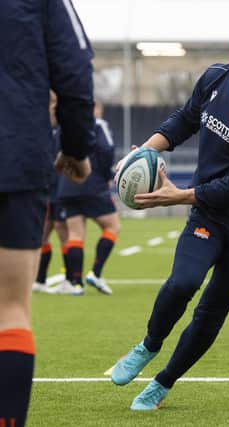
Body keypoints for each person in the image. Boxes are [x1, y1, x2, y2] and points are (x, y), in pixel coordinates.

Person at [109, 14, 229, 411]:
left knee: (212, 309)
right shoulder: (213, 78)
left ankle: (162, 383)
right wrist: (146, 149)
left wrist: (176, 197)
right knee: (182, 283)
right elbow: (187, 119)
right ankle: (148, 345)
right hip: (210, 213)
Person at [0, 0, 95, 425]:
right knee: (10, 310)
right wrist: (76, 148)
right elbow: (75, 76)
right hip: (14, 155)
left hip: (15, 154)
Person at [47, 101, 119, 296]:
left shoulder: (63, 128)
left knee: (75, 236)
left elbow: (55, 155)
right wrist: (106, 178)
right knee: (112, 227)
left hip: (67, 187)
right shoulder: (98, 124)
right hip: (92, 184)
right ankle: (95, 273)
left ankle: (76, 284)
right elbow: (106, 150)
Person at [32, 93, 70, 294]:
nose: (52, 108)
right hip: (46, 191)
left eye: (55, 103)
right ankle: (40, 280)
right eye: (50, 103)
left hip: (60, 191)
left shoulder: (63, 130)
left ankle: (69, 279)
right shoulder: (44, 129)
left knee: (64, 234)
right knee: (42, 235)